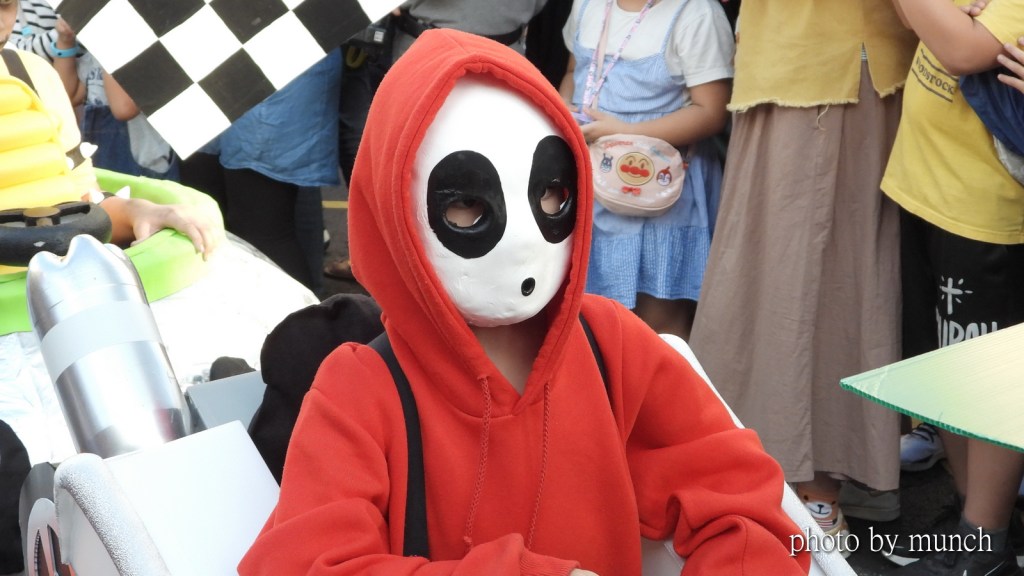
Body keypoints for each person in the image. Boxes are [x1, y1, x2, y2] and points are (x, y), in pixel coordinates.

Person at [239, 29, 808, 575]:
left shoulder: (612, 346)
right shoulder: (362, 389)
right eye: (466, 204)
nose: (521, 241)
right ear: (396, 209)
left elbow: (743, 502)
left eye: (552, 193)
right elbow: (305, 563)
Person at [687, 0, 917, 545]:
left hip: (830, 68)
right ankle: (828, 473)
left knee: (810, 274)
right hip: (812, 63)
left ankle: (816, 488)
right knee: (807, 272)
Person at [881, 1, 1024, 574]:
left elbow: (962, 49)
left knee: (986, 383)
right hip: (927, 188)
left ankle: (986, 542)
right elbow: (917, 20)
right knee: (946, 373)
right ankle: (970, 517)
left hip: (984, 213)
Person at [324, 0, 549, 281]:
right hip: (503, 63)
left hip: (433, 64)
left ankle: (406, 271)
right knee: (493, 177)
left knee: (419, 176)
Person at [558, 0, 733, 340]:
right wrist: (566, 107)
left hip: (662, 193)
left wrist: (625, 132)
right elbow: (573, 71)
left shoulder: (696, 13)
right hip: (593, 180)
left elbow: (711, 112)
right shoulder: (587, 5)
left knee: (659, 324)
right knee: (592, 315)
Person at [179, 48, 342, 293]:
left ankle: (305, 314)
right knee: (208, 212)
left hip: (276, 56)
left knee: (262, 225)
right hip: (202, 54)